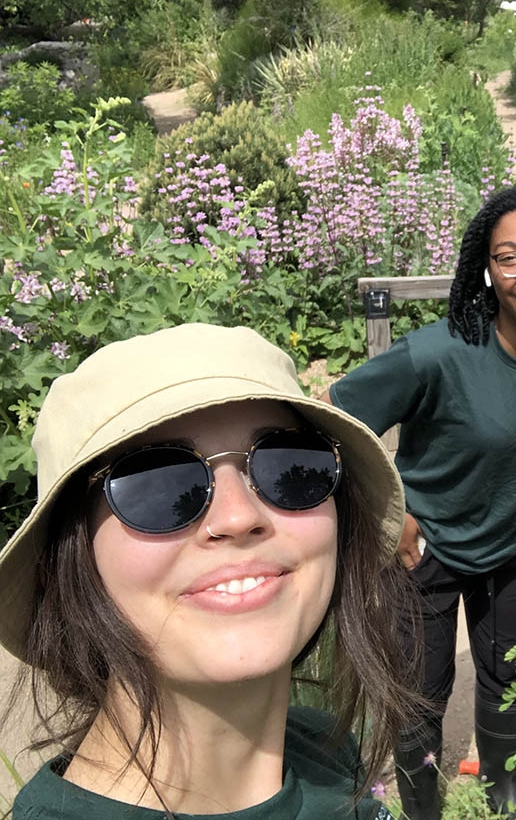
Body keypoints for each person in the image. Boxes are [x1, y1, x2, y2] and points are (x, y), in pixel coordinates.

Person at [0, 323, 418, 819]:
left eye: (288, 464)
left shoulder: (321, 749)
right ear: (64, 562)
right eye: (156, 482)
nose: (239, 517)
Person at [325, 183, 516, 818]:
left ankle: (503, 787)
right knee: (421, 693)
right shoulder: (438, 354)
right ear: (487, 273)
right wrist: (389, 514)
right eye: (511, 258)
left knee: (507, 677)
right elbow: (332, 420)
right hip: (424, 555)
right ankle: (422, 808)